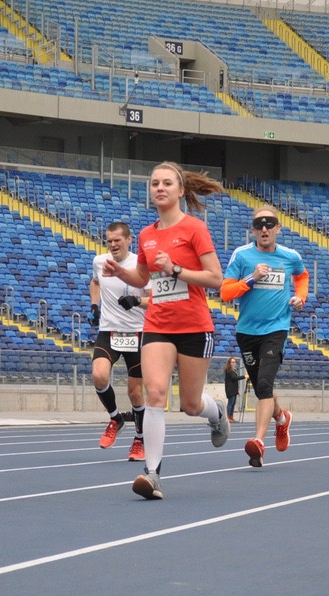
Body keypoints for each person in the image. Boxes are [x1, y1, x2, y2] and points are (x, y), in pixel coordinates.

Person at [102, 161, 228, 500]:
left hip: (194, 326)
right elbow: (143, 278)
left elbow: (216, 278)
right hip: (158, 325)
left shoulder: (194, 229)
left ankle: (216, 412)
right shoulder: (146, 234)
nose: (159, 188)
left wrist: (176, 269)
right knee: (155, 393)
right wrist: (121, 273)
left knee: (190, 404)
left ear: (180, 190)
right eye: (155, 183)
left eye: (167, 183)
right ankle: (152, 474)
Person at [221, 205, 308, 468]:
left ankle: (258, 442)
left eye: (269, 224)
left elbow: (302, 275)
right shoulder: (242, 255)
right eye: (259, 225)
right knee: (262, 388)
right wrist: (251, 278)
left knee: (265, 383)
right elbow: (225, 293)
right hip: (247, 332)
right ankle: (281, 418)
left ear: (278, 228)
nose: (264, 229)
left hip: (276, 329)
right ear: (253, 230)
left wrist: (300, 297)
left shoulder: (290, 256)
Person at [90, 222, 148, 461]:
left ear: (129, 240)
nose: (113, 245)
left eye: (117, 240)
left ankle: (140, 439)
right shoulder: (99, 262)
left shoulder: (140, 265)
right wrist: (94, 305)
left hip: (137, 333)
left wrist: (136, 301)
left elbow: (155, 299)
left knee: (135, 393)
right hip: (109, 330)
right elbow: (95, 282)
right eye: (109, 241)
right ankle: (116, 418)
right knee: (99, 375)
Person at [223, 357, 244, 423]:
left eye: (234, 362)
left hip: (234, 389)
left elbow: (234, 382)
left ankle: (231, 417)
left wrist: (237, 390)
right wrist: (244, 376)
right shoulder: (229, 370)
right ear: (229, 363)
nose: (234, 363)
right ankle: (227, 417)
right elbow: (234, 378)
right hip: (230, 389)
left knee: (233, 404)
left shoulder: (233, 370)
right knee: (230, 403)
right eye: (232, 362)